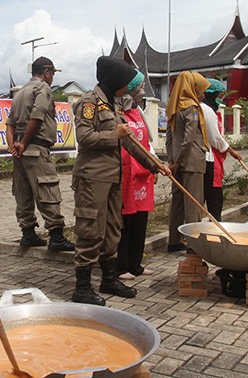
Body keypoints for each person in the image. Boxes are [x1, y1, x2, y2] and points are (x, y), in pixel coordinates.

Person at [70, 57, 169, 306]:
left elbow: (130, 143)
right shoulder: (89, 103)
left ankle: (109, 279)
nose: (128, 88)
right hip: (93, 179)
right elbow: (84, 137)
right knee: (90, 229)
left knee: (113, 228)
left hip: (114, 178)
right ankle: (82, 287)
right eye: (125, 83)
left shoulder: (113, 106)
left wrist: (155, 165)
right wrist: (113, 134)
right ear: (113, 79)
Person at [5, 56, 74, 251]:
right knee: (47, 190)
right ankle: (57, 236)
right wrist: (25, 143)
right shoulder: (43, 89)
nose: (52, 78)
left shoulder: (19, 93)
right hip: (35, 148)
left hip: (20, 151)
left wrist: (14, 146)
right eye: (51, 74)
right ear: (46, 72)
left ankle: (28, 234)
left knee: (23, 192)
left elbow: (9, 124)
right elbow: (37, 116)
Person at [115, 81, 156, 280]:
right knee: (126, 220)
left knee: (141, 219)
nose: (142, 91)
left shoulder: (139, 112)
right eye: (138, 87)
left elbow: (148, 141)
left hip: (143, 174)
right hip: (127, 172)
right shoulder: (116, 112)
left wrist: (154, 165)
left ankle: (135, 263)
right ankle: (122, 266)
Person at [166, 71, 210, 252]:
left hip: (176, 161)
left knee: (177, 202)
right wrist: (180, 161)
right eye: (201, 90)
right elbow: (189, 138)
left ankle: (174, 241)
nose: (203, 94)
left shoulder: (173, 107)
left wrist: (172, 160)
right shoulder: (192, 109)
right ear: (193, 88)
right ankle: (193, 244)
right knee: (193, 203)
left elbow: (169, 138)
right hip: (190, 162)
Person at [201, 78, 241, 220]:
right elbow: (215, 138)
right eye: (219, 96)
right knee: (214, 197)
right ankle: (214, 226)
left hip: (216, 157)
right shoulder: (206, 111)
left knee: (212, 196)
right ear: (210, 94)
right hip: (210, 158)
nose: (221, 100)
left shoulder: (211, 111)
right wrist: (231, 151)